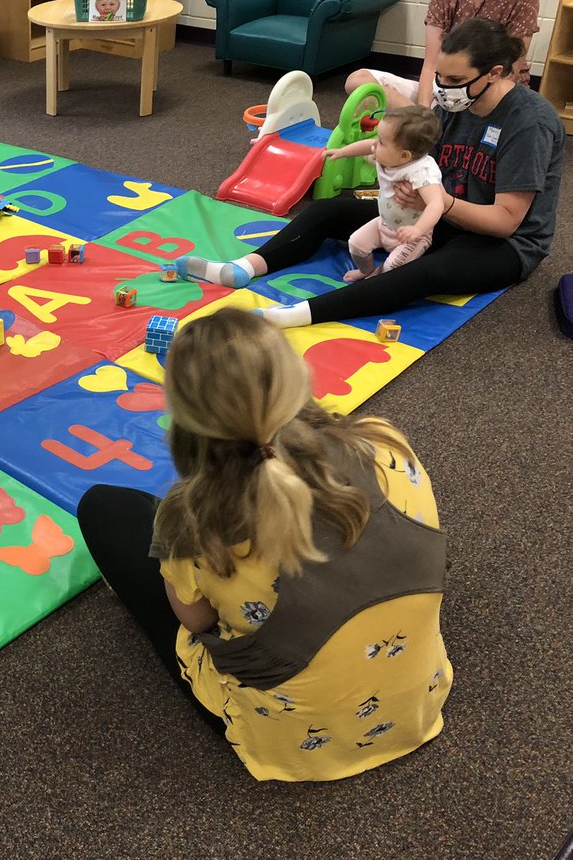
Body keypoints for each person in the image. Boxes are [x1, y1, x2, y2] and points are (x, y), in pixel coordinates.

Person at [77, 309, 452, 782]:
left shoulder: (192, 520)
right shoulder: (383, 442)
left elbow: (196, 621)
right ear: (294, 376)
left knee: (104, 507)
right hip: (416, 697)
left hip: (295, 739)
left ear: (188, 417)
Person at [182, 18, 564, 329]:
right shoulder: (455, 104)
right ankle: (243, 269)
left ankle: (289, 317)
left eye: (452, 81)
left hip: (503, 244)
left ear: (494, 74)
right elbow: (416, 159)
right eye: (439, 78)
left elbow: (505, 223)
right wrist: (387, 166)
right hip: (435, 214)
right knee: (329, 209)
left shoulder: (529, 123)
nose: (441, 90)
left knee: (424, 271)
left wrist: (440, 205)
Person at [346, 0, 539, 110]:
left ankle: (441, 126)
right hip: (446, 87)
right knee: (358, 82)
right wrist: (423, 111)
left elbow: (511, 70)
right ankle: (425, 126)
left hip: (492, 92)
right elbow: (431, 64)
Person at [321, 105, 445, 282]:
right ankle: (366, 270)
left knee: (392, 267)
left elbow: (436, 204)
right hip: (384, 224)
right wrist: (342, 152)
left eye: (381, 142)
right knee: (356, 244)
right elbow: (367, 146)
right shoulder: (388, 154)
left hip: (411, 237)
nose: (375, 144)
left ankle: (379, 273)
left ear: (404, 156)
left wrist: (418, 229)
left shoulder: (422, 171)